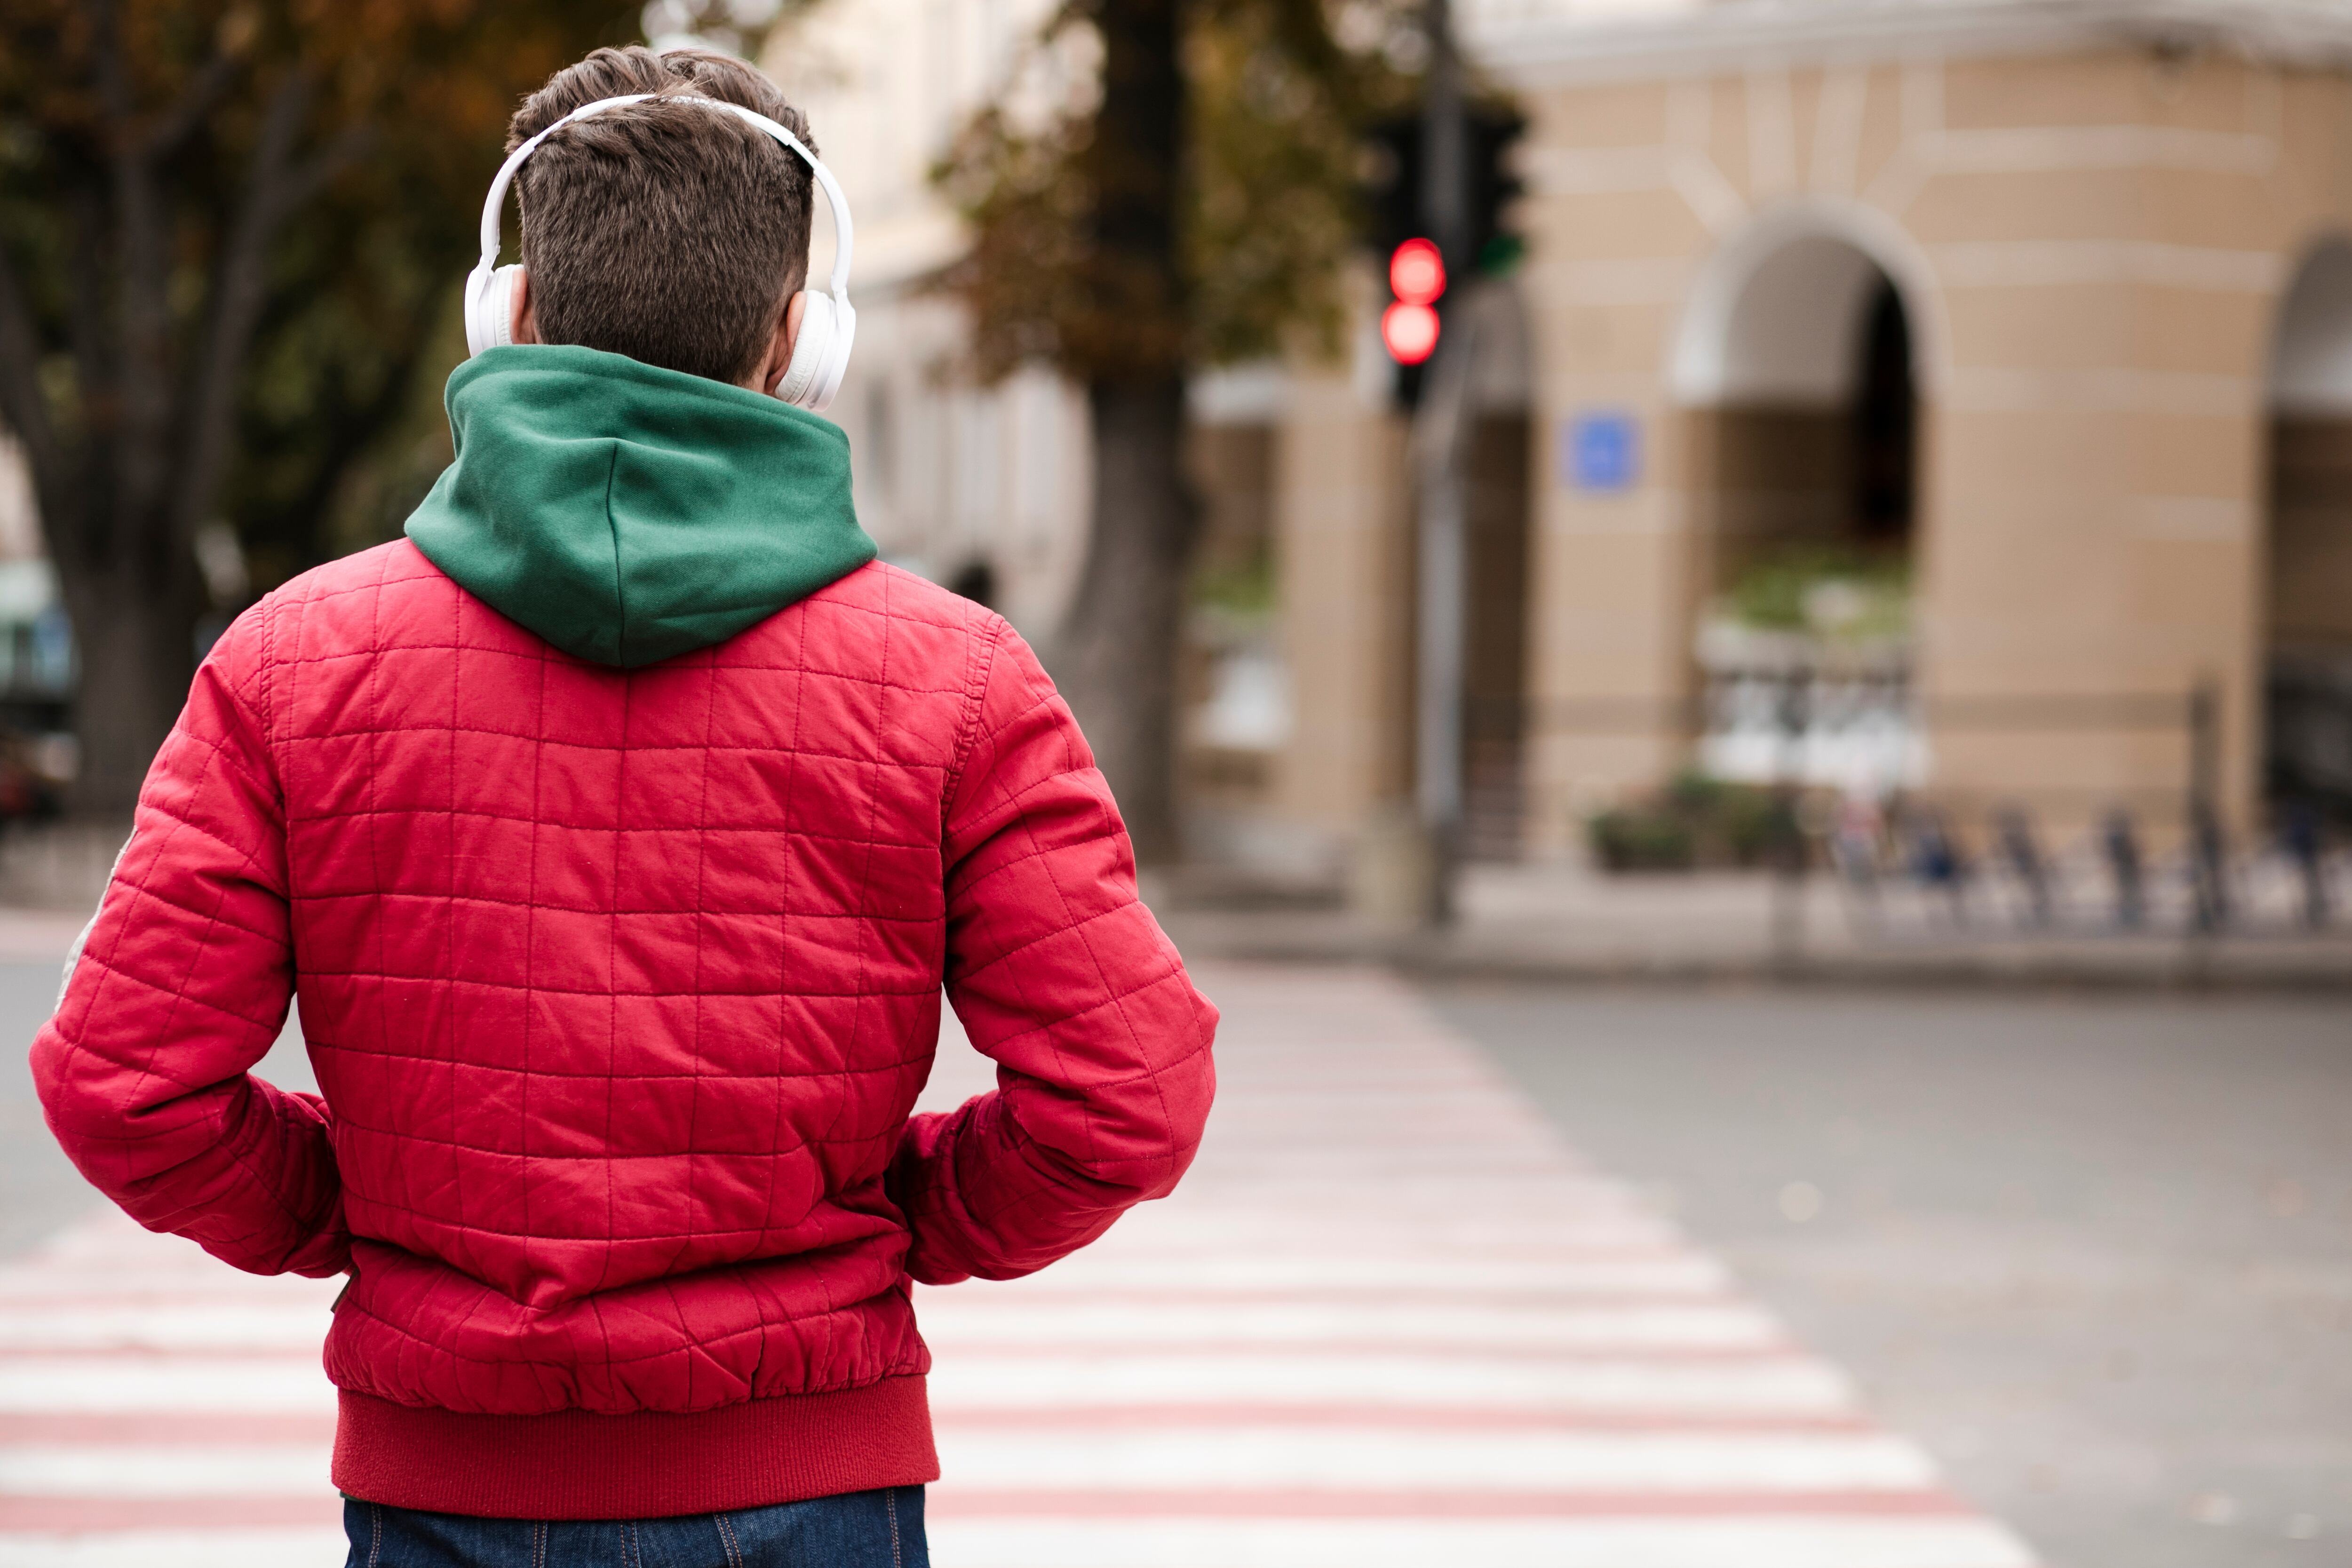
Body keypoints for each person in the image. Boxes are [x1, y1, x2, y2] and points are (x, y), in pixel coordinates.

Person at [31, 44, 1216, 1568]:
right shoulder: (960, 683)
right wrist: (901, 1217)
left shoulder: (288, 664)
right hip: (813, 1481)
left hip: (442, 1487)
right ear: (802, 341)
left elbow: (125, 1087)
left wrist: (355, 1216)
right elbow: (1129, 1097)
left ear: (509, 314)